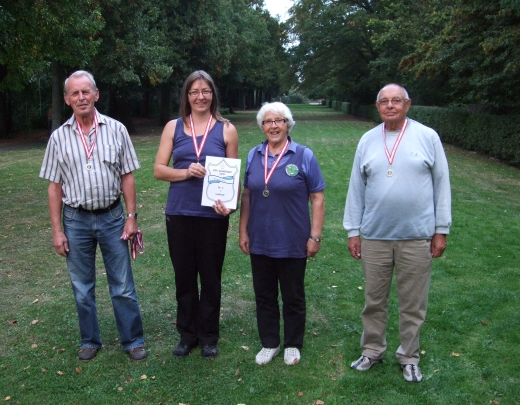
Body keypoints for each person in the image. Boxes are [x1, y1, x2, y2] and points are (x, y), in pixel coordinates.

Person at [343, 83, 452, 382]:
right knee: (373, 301)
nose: (390, 106)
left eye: (396, 101)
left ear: (407, 104)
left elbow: (442, 184)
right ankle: (372, 351)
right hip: (375, 236)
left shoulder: (427, 137)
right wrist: (353, 230)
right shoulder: (367, 140)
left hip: (416, 237)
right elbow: (356, 188)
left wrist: (441, 229)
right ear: (378, 106)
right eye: (384, 101)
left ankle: (409, 356)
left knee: (413, 304)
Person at [39, 70, 146, 362]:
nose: (81, 97)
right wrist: (57, 231)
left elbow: (127, 176)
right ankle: (90, 340)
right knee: (82, 288)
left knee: (122, 285)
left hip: (113, 218)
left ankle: (133, 340)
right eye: (75, 93)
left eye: (86, 91)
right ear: (66, 99)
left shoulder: (116, 129)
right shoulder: (58, 138)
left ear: (96, 95)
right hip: (76, 221)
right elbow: (54, 187)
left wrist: (132, 216)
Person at [154, 70, 239, 360]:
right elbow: (158, 170)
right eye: (194, 92)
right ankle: (187, 335)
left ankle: (209, 337)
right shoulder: (173, 127)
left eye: (205, 91)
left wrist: (230, 206)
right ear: (187, 96)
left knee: (211, 277)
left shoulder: (226, 129)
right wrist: (185, 172)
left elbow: (234, 176)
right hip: (179, 213)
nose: (200, 97)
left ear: (213, 94)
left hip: (212, 216)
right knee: (185, 276)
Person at [238, 102, 326, 366]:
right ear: (262, 126)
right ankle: (270, 343)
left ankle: (293, 344)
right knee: (264, 295)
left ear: (288, 124)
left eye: (279, 120)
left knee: (293, 295)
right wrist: (243, 231)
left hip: (292, 240)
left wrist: (315, 236)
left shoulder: (304, 155)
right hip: (260, 238)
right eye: (268, 121)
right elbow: (247, 195)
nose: (273, 126)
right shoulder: (254, 155)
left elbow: (317, 197)